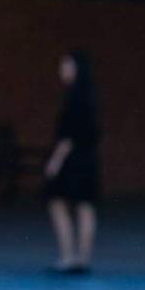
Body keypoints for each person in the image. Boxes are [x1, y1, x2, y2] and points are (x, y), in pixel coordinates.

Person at [44, 50, 101, 275]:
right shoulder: (90, 96)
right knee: (85, 207)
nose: (63, 70)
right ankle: (83, 258)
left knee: (57, 203)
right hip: (88, 159)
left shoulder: (73, 98)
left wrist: (55, 162)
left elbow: (68, 136)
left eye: (67, 65)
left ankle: (68, 256)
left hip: (72, 160)